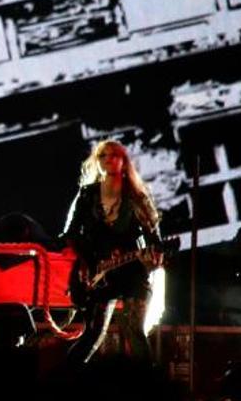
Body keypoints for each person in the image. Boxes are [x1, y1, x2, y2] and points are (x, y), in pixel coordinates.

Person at [59, 139, 164, 366]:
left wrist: (154, 258)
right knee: (93, 333)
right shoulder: (87, 195)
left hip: (132, 271)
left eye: (114, 155)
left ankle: (150, 387)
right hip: (96, 274)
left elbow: (154, 237)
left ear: (123, 161)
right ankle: (64, 381)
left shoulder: (136, 196)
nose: (108, 160)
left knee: (133, 329)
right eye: (103, 155)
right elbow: (70, 234)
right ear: (96, 162)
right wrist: (86, 264)